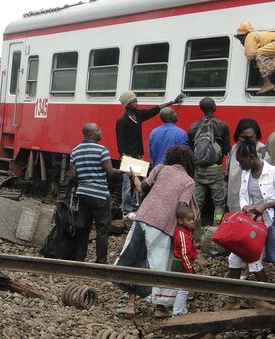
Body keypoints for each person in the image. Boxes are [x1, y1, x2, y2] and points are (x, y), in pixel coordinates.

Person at [115, 145, 198, 318]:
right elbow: (182, 207)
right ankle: (160, 307)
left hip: (143, 217)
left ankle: (131, 305)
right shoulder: (189, 181)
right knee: (161, 264)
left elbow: (141, 188)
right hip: (164, 224)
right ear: (189, 163)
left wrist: (134, 176)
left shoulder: (160, 168)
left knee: (135, 257)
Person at [227, 139, 275, 290]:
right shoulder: (245, 174)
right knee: (239, 257)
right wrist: (246, 206)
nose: (241, 166)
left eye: (242, 162)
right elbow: (242, 196)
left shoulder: (273, 172)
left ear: (250, 157)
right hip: (252, 222)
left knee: (250, 257)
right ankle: (242, 295)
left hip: (270, 223)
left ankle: (259, 295)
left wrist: (264, 206)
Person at [115, 90, 184, 219]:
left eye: (136, 100)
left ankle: (137, 208)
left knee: (139, 184)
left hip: (138, 156)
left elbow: (155, 110)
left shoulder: (139, 115)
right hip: (128, 157)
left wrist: (172, 102)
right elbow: (120, 141)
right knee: (127, 185)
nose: (136, 103)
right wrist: (123, 156)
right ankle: (126, 211)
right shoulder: (122, 121)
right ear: (127, 104)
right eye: (133, 101)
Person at [69, 123, 121, 264]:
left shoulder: (75, 151)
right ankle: (101, 261)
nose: (101, 131)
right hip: (99, 195)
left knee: (83, 228)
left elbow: (73, 175)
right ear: (91, 134)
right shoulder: (102, 150)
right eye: (98, 130)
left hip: (83, 194)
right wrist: (127, 171)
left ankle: (79, 259)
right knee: (102, 229)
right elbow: (110, 172)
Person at [188, 97, 230, 225]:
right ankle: (216, 227)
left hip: (199, 170)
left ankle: (196, 230)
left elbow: (190, 149)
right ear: (214, 107)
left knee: (197, 203)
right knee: (218, 203)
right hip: (215, 170)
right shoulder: (222, 125)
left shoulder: (193, 127)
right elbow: (226, 150)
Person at [235, 22, 275, 94]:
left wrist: (250, 48)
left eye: (240, 39)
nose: (241, 43)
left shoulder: (250, 36)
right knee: (269, 56)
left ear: (244, 36)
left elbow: (250, 55)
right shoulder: (258, 35)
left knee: (259, 54)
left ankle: (267, 83)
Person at [226, 118, 271, 213]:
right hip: (234, 199)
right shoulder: (233, 149)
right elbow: (227, 174)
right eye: (243, 137)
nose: (246, 141)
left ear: (256, 136)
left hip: (255, 204)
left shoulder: (262, 151)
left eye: (249, 138)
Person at [171, 205, 197, 317]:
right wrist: (189, 268)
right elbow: (184, 253)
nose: (192, 222)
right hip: (181, 264)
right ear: (180, 221)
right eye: (189, 220)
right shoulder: (182, 234)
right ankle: (176, 313)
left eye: (193, 219)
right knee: (183, 289)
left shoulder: (185, 232)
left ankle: (182, 310)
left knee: (183, 288)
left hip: (182, 263)